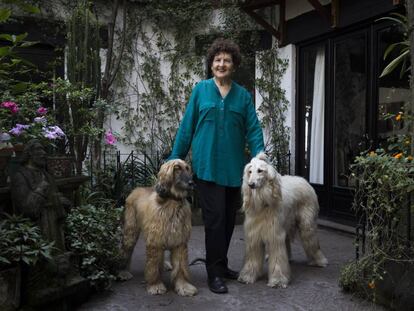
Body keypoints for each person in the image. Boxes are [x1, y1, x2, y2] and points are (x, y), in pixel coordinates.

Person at [169, 38, 264, 294]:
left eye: (227, 60)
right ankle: (214, 273)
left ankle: (221, 265)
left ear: (234, 66)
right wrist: (175, 157)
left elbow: (253, 128)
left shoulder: (242, 95)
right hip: (207, 165)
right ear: (211, 65)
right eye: (217, 60)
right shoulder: (200, 90)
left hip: (234, 168)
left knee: (228, 221)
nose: (222, 64)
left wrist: (259, 153)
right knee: (214, 220)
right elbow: (187, 127)